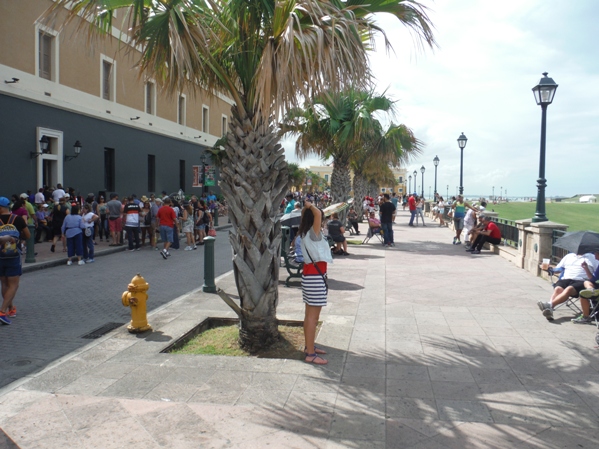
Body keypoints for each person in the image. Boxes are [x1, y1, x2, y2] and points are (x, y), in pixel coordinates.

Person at [298, 200, 333, 365]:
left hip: (311, 276)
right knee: (312, 317)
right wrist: (309, 205)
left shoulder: (306, 233)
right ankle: (310, 354)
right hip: (314, 277)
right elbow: (318, 213)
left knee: (310, 316)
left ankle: (309, 346)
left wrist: (308, 209)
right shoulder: (313, 232)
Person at [537, 252, 597, 321]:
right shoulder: (569, 256)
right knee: (558, 289)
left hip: (581, 281)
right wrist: (549, 269)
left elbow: (596, 274)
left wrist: (586, 268)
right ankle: (549, 309)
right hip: (566, 279)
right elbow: (559, 269)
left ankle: (549, 305)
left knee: (568, 289)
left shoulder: (592, 257)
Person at [0, 197, 30, 325]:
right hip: (13, 256)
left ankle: (11, 308)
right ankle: (2, 311)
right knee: (14, 285)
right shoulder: (17, 219)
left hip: (0, 256)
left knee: (4, 284)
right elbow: (28, 235)